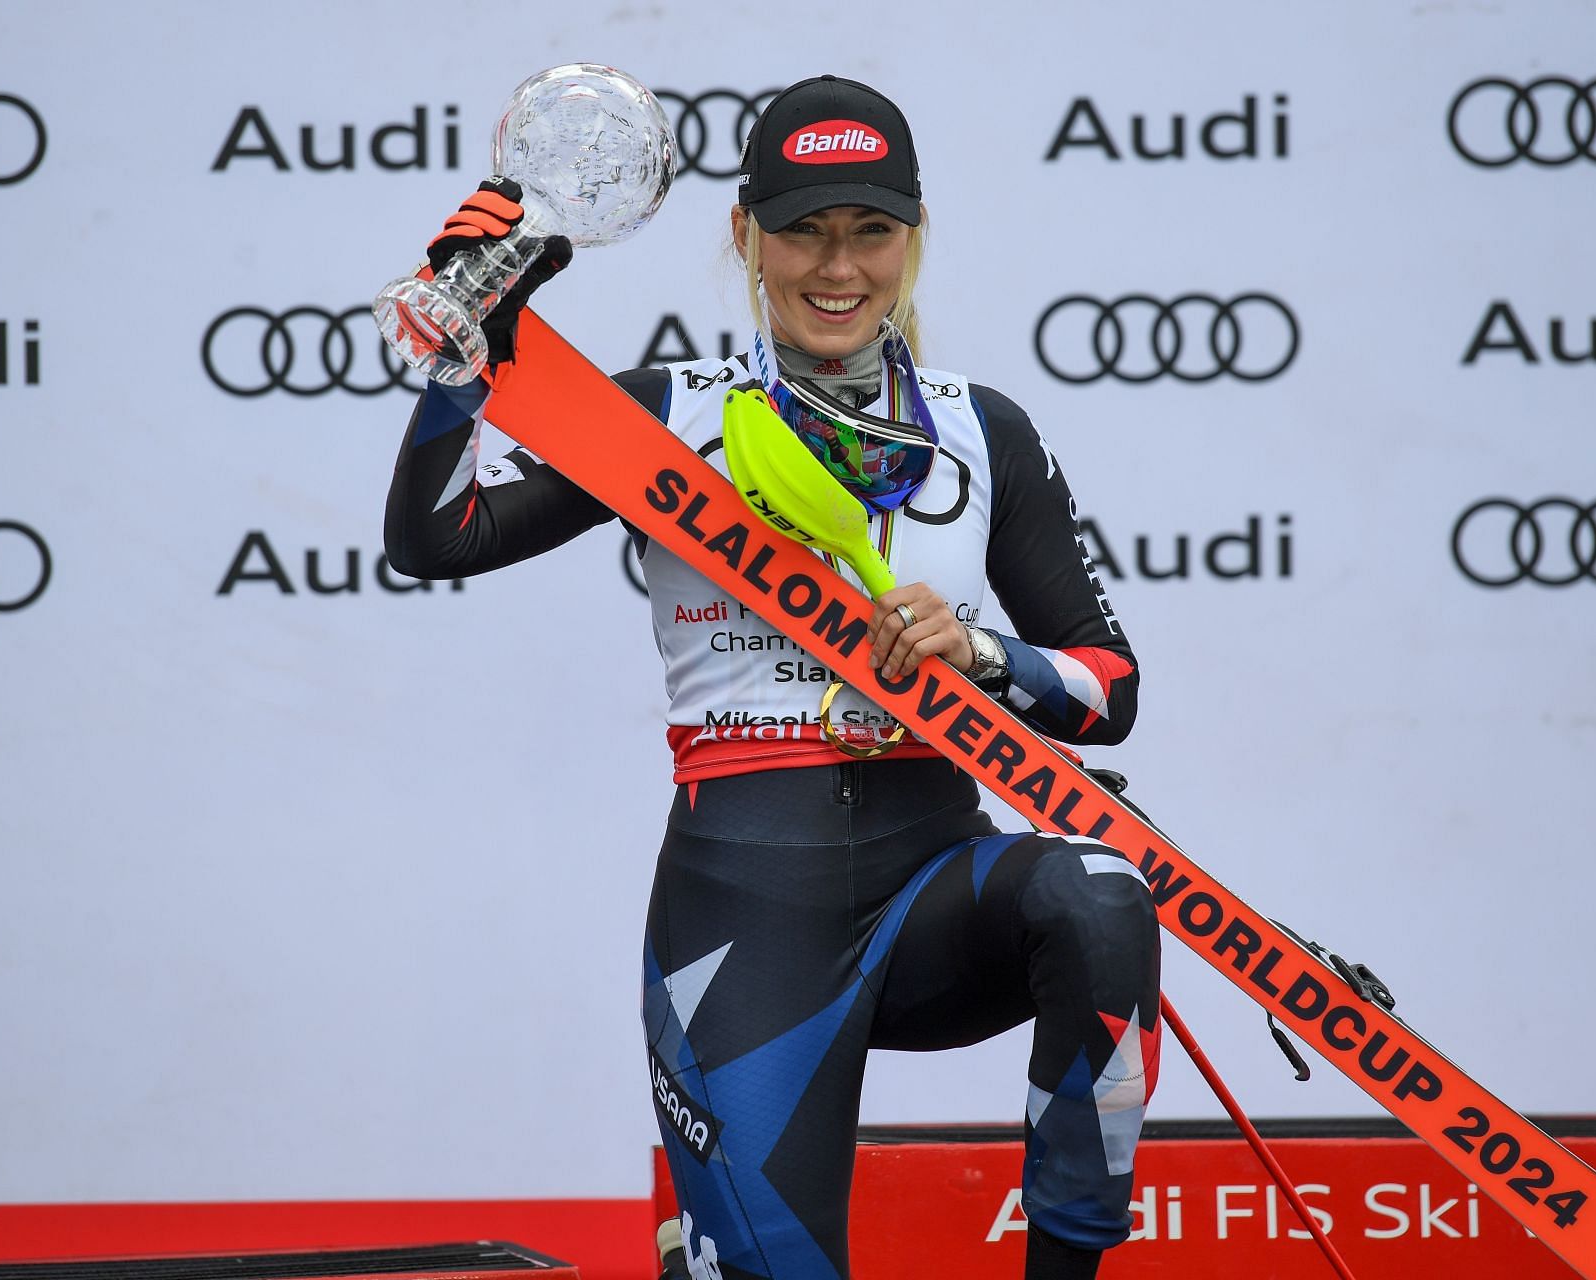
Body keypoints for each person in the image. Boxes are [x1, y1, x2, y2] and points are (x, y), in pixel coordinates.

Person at [385, 74, 1161, 1280]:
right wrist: (461, 357)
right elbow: (438, 539)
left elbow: (1110, 689)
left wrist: (986, 654)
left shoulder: (981, 428)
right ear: (744, 235)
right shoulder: (666, 418)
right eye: (802, 228)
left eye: (870, 230)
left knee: (1102, 891)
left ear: (914, 237)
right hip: (743, 924)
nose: (836, 266)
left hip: (935, 890)